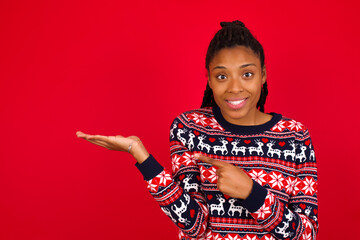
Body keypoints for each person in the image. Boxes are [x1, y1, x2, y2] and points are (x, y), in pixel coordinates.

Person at [76, 20, 319, 240]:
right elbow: (195, 225)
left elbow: (306, 234)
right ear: (209, 80)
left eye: (247, 74)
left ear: (263, 74)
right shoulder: (190, 128)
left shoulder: (295, 136)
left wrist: (252, 193)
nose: (235, 87)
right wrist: (140, 156)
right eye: (222, 76)